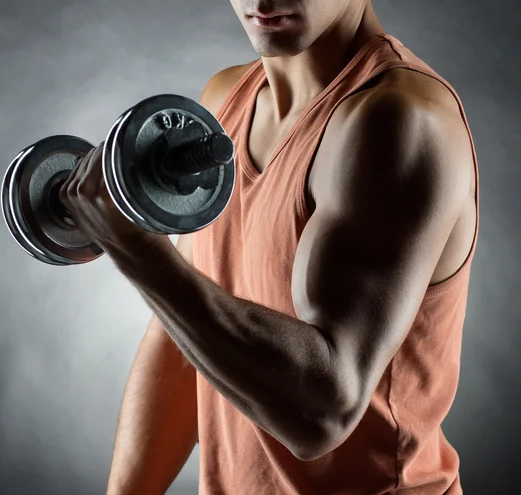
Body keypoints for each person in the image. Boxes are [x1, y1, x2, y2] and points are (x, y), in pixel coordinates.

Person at [59, 0, 479, 493]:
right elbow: (186, 340)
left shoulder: (399, 119)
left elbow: (324, 412)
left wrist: (140, 253)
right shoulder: (225, 100)